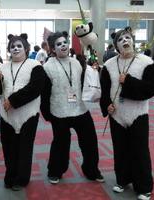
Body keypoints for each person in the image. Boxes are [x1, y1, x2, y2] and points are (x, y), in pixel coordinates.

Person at [100, 27, 154, 200]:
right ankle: (122, 180)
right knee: (120, 150)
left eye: (127, 38)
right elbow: (104, 91)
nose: (125, 41)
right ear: (116, 46)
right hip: (116, 115)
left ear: (133, 40)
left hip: (138, 114)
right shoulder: (109, 65)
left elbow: (152, 88)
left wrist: (129, 82)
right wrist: (107, 105)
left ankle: (144, 187)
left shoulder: (146, 62)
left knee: (140, 151)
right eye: (120, 40)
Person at [40, 31, 104, 185]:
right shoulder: (48, 67)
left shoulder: (76, 63)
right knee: (61, 143)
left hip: (79, 109)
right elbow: (44, 92)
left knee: (90, 141)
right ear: (53, 49)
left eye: (65, 42)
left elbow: (83, 83)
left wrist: (94, 69)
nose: (63, 45)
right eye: (58, 44)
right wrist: (47, 113)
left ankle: (92, 170)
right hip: (59, 110)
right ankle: (55, 171)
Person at [0, 33, 46, 191]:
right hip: (7, 115)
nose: (15, 49)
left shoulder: (35, 65)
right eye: (12, 46)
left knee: (24, 148)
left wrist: (13, 100)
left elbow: (35, 89)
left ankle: (21, 178)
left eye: (19, 46)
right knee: (8, 147)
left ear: (26, 48)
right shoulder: (3, 66)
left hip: (28, 114)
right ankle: (10, 176)